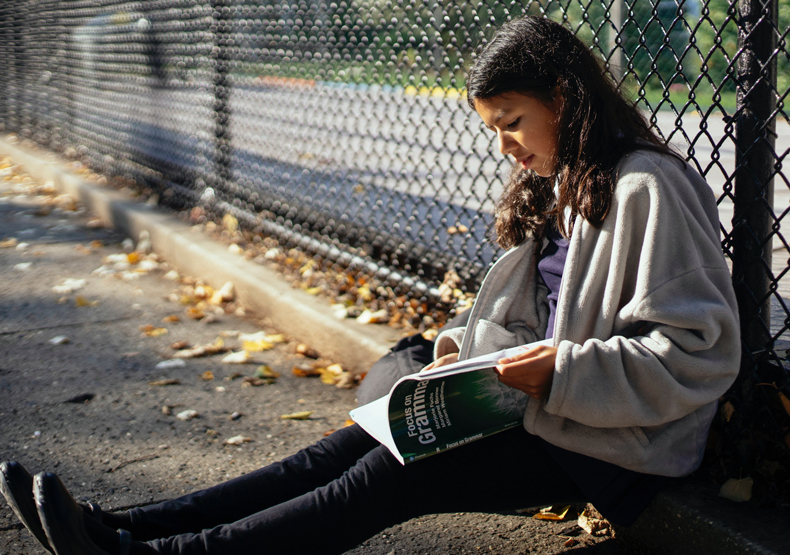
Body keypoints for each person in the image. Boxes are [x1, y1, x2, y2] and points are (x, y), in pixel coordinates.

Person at [1, 15, 740, 555]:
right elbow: (545, 313)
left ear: (563, 97)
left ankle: (153, 554)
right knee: (346, 443)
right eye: (494, 130)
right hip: (541, 411)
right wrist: (469, 351)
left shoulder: (647, 185)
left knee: (385, 477)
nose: (506, 147)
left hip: (615, 444)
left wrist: (559, 369)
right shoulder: (566, 181)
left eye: (512, 122)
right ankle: (130, 525)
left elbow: (696, 353)